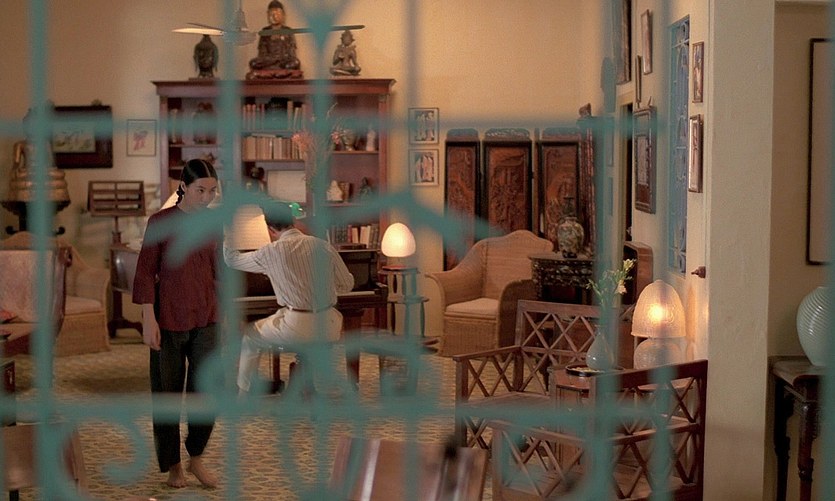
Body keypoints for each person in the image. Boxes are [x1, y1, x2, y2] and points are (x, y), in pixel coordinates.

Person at [132, 158, 221, 489]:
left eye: (213, 191)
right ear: (183, 186)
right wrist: (148, 318)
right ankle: (173, 465)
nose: (207, 197)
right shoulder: (160, 222)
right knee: (166, 395)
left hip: (207, 318)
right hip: (168, 319)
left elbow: (219, 273)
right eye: (201, 190)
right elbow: (145, 273)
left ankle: (196, 456)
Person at [223, 202, 354, 394]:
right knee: (285, 319)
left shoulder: (269, 252)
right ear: (293, 220)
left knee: (251, 337)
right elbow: (347, 285)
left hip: (296, 326)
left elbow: (231, 259)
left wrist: (228, 233)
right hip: (329, 325)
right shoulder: (323, 246)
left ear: (270, 229)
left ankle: (244, 393)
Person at [247, 0, 302, 79]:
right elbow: (262, 54)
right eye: (271, 14)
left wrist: (280, 59)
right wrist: (274, 59)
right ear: (267, 15)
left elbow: (291, 53)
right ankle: (276, 71)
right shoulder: (265, 32)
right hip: (269, 62)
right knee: (253, 63)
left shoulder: (288, 31)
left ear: (283, 15)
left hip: (284, 62)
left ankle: (273, 71)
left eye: (277, 14)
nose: (274, 16)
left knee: (295, 62)